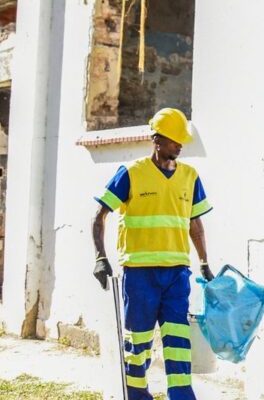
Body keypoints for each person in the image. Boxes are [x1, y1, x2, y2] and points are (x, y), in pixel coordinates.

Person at [91, 108, 214, 400]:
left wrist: (204, 263)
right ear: (157, 139)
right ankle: (137, 396)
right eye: (173, 139)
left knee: (178, 344)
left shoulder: (190, 176)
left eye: (181, 140)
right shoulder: (131, 173)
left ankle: (182, 396)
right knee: (138, 344)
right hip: (139, 274)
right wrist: (100, 257)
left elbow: (195, 224)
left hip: (176, 274)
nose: (179, 145)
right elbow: (99, 215)